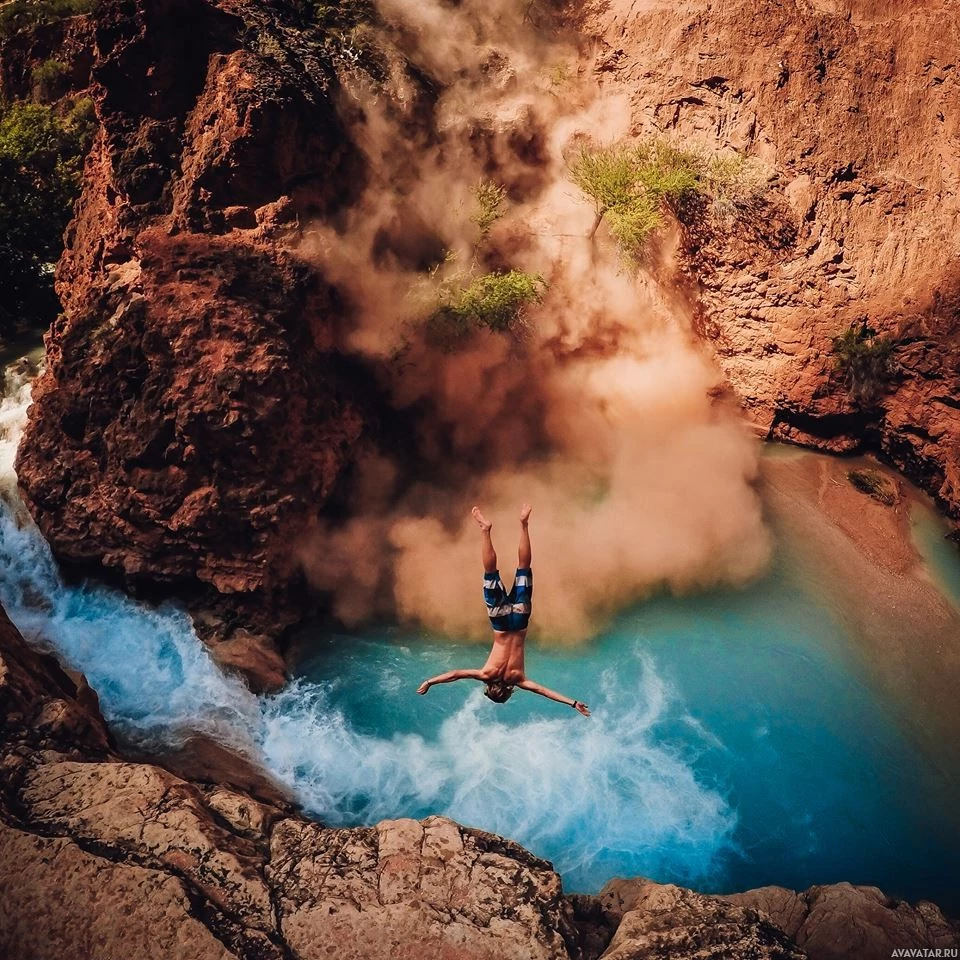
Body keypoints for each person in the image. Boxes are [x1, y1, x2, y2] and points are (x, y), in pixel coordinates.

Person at [417, 504, 591, 716]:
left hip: (519, 621)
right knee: (490, 572)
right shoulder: (485, 674)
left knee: (523, 568)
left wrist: (573, 704)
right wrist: (429, 682)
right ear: (490, 688)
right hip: (499, 622)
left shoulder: (518, 679)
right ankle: (485, 530)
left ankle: (524, 524)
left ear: (508, 692)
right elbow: (455, 674)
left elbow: (544, 692)